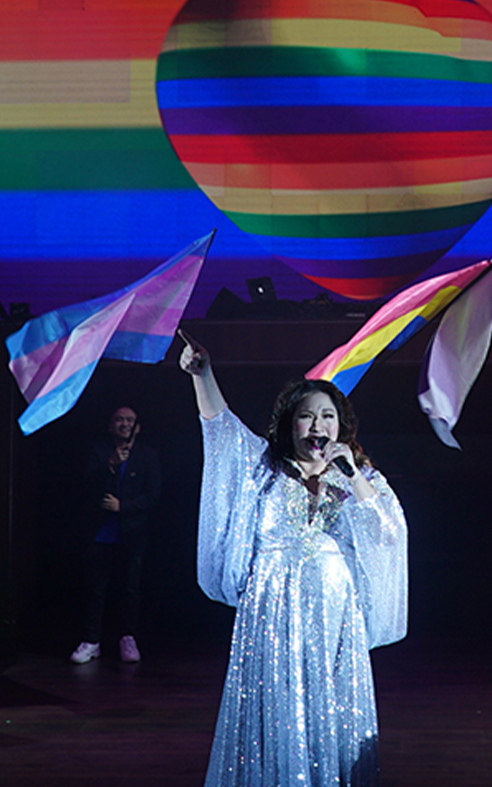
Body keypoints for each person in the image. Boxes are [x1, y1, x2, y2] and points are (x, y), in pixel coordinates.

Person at [180, 335, 407, 787]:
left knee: (328, 703)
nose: (318, 424)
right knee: (277, 704)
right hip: (272, 610)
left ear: (341, 427)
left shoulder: (358, 478)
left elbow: (387, 533)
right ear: (291, 423)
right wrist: (202, 375)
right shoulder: (263, 467)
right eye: (307, 416)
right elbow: (221, 430)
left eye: (327, 416)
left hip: (333, 615)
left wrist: (353, 476)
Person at [69, 406, 162, 665]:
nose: (124, 424)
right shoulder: (98, 452)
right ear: (111, 425)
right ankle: (91, 641)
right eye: (119, 419)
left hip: (132, 533)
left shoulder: (147, 456)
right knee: (95, 589)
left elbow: (153, 495)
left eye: (130, 420)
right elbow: (84, 486)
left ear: (137, 427)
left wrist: (124, 506)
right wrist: (110, 466)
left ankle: (127, 639)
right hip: (100, 533)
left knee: (129, 590)